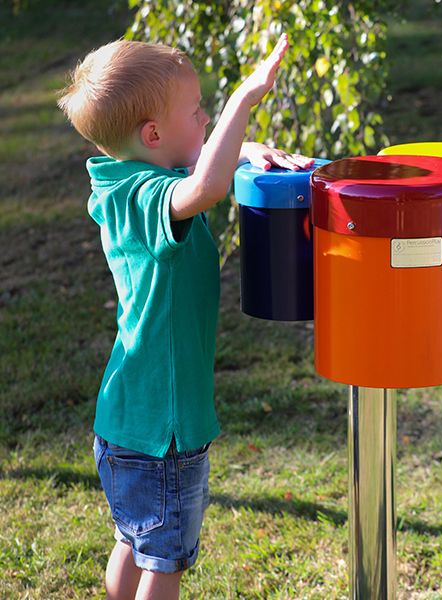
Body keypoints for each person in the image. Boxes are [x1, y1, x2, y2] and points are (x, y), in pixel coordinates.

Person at [58, 33, 313, 600]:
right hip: (163, 427)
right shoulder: (149, 197)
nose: (205, 121)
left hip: (127, 419)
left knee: (134, 538)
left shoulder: (124, 180)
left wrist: (243, 148)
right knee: (165, 562)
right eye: (198, 113)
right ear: (153, 135)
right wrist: (244, 100)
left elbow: (200, 166)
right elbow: (206, 186)